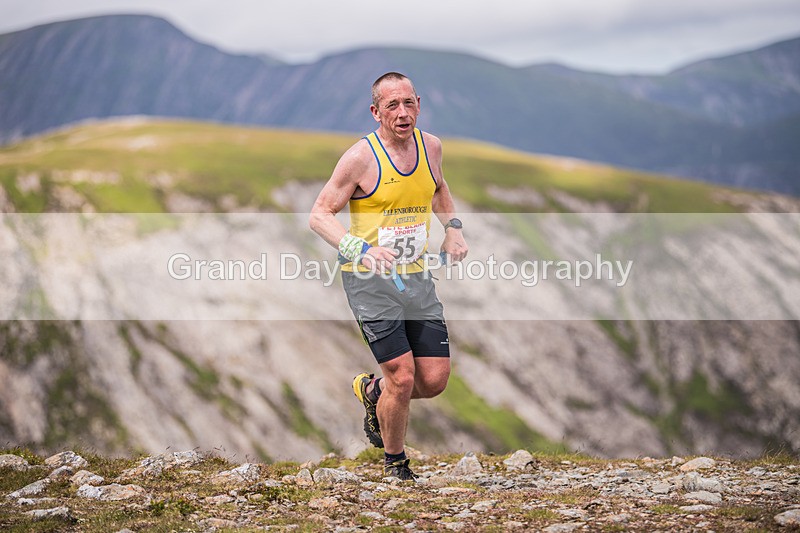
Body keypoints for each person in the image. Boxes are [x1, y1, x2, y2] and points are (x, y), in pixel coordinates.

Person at [309, 72, 468, 480]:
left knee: (432, 380)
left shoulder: (431, 147)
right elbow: (319, 215)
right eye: (392, 106)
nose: (402, 113)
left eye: (408, 103)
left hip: (416, 276)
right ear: (375, 111)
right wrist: (361, 250)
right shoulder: (360, 157)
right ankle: (396, 464)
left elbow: (438, 189)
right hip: (369, 282)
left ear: (419, 103)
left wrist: (453, 230)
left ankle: (373, 392)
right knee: (402, 374)